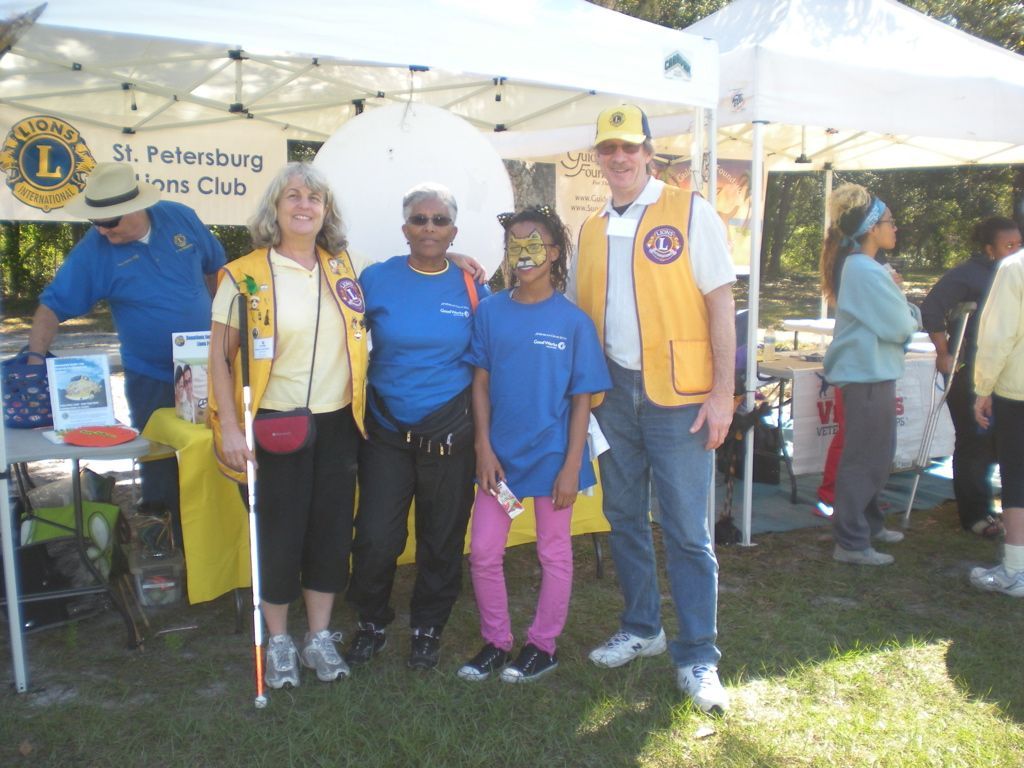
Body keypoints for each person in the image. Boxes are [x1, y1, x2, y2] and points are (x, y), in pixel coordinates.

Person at [571, 105, 736, 715]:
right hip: (611, 395)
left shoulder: (691, 210)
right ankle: (642, 627)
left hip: (680, 399)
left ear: (648, 153)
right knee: (623, 517)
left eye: (629, 148)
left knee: (689, 532)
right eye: (608, 148)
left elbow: (721, 303)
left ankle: (698, 654)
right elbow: (578, 315)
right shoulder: (589, 227)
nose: (619, 158)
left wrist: (724, 392)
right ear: (599, 157)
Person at [207, 162, 368, 688]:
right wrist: (229, 428)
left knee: (329, 534)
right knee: (278, 535)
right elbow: (219, 359)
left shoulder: (347, 267)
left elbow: (407, 276)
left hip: (339, 422)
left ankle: (317, 638)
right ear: (274, 209)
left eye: (315, 197)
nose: (304, 205)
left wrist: (456, 259)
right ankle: (279, 642)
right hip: (275, 425)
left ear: (327, 211)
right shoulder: (243, 274)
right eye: (293, 196)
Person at [27, 162, 225, 533]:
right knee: (160, 465)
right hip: (150, 375)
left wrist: (228, 326)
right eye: (95, 221)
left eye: (110, 220)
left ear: (137, 207)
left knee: (215, 451)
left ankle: (216, 534)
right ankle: (165, 544)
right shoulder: (94, 251)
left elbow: (216, 269)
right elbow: (52, 306)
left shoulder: (180, 218)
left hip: (208, 367)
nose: (102, 229)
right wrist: (36, 357)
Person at [457, 206, 611, 684]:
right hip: (499, 462)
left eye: (534, 245)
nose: (523, 256)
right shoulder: (490, 311)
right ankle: (497, 640)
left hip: (553, 460)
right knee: (483, 552)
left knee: (554, 553)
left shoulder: (574, 322)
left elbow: (582, 401)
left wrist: (571, 467)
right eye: (514, 246)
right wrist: (483, 447)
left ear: (555, 253)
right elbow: (479, 384)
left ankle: (542, 645)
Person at [345, 182, 486, 671]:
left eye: (440, 221)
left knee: (442, 535)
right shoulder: (375, 278)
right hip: (386, 427)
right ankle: (371, 620)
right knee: (377, 536)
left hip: (449, 429)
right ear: (405, 228)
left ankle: (429, 626)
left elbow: (489, 358)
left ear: (454, 231)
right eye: (420, 220)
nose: (430, 228)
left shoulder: (471, 285)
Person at [820, 183, 921, 567]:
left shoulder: (866, 268)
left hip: (871, 373)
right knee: (864, 459)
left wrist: (896, 296)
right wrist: (907, 306)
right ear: (872, 228)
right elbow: (898, 326)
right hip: (866, 376)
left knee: (877, 455)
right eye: (890, 222)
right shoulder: (863, 270)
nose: (895, 229)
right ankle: (850, 541)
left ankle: (869, 524)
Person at [921, 217, 1022, 538]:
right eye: (1008, 245)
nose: (1016, 250)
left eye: (1019, 244)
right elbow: (932, 307)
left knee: (1001, 445)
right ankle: (975, 515)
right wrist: (943, 351)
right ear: (988, 249)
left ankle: (1007, 513)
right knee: (975, 443)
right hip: (972, 372)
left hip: (1006, 377)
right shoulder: (967, 274)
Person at [970, 243, 1024, 597]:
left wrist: (982, 387)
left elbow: (997, 335)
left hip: (1017, 390)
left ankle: (1016, 571)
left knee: (1017, 477)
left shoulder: (1013, 268)